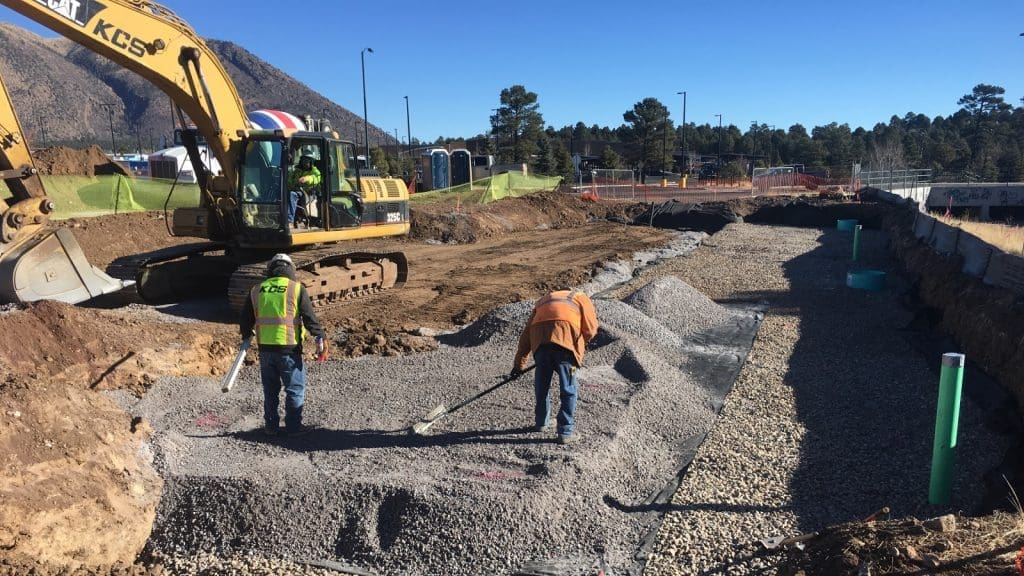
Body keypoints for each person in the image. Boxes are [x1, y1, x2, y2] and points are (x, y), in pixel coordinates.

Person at [239, 253, 326, 437]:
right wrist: (319, 339)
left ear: (270, 270)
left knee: (270, 391)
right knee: (294, 389)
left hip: (265, 351)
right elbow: (310, 318)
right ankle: (293, 428)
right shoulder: (296, 289)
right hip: (289, 349)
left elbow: (245, 320)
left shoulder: (256, 290)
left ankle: (271, 427)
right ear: (290, 269)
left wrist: (247, 335)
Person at [512, 289, 599, 445]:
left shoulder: (544, 300)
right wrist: (577, 344)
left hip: (540, 342)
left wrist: (518, 365)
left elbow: (526, 334)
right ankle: (565, 431)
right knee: (568, 389)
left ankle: (541, 422)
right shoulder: (580, 297)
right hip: (565, 344)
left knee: (542, 385)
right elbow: (591, 329)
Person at [287, 154, 322, 225]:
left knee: (292, 195)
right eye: (303, 161)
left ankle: (289, 221)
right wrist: (293, 183)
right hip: (296, 190)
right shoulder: (296, 171)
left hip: (307, 194)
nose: (305, 163)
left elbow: (316, 178)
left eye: (307, 161)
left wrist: (307, 179)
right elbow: (289, 181)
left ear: (311, 162)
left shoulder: (315, 171)